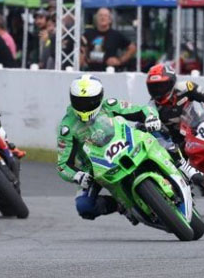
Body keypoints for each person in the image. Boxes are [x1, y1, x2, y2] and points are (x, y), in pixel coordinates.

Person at [56, 75, 164, 220]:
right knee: (84, 206)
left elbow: (143, 109)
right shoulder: (67, 127)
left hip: (125, 145)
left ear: (100, 97)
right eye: (79, 101)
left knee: (156, 131)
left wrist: (151, 117)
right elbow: (62, 165)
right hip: (94, 168)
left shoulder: (109, 105)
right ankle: (121, 205)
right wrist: (78, 176)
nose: (84, 106)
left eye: (89, 101)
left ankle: (182, 166)